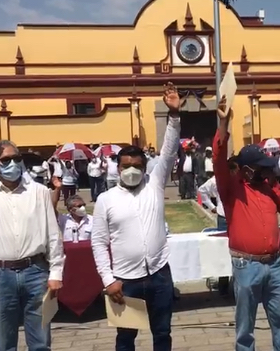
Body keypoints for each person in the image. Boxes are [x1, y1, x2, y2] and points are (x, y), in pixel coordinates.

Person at [0, 78, 64, 351]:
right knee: (4, 344)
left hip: (36, 272)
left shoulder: (39, 192)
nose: (13, 164)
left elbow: (53, 236)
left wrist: (56, 272)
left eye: (16, 158)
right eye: (6, 160)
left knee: (41, 342)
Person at [91, 82, 181, 351]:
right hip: (124, 281)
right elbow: (98, 243)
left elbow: (168, 151)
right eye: (126, 166)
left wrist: (174, 115)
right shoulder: (105, 200)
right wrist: (108, 280)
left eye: (137, 166)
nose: (132, 171)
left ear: (145, 168)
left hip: (159, 274)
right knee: (126, 338)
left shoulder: (154, 184)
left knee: (162, 334)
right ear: (117, 168)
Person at [213, 98, 280, 351]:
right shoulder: (232, 189)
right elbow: (218, 158)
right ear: (247, 170)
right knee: (245, 327)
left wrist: (275, 185)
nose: (266, 172)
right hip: (246, 264)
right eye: (262, 169)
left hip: (275, 263)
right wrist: (224, 123)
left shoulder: (270, 188)